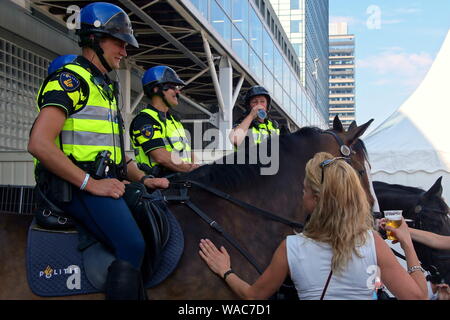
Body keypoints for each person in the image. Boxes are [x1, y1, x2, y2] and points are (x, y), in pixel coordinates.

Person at [28, 2, 169, 300]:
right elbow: (39, 143)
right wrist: (91, 184)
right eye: (119, 43)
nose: (124, 51)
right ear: (94, 39)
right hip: (74, 187)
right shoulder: (71, 79)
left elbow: (116, 155)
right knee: (132, 245)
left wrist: (144, 179)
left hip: (103, 184)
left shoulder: (103, 86)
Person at [199, 152, 428, 300]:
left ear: (316, 200)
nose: (302, 195)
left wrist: (225, 271)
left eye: (305, 190)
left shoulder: (291, 248)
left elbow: (253, 297)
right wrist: (407, 243)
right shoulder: (372, 243)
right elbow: (417, 298)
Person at [129, 66, 199, 177]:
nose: (177, 91)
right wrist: (190, 169)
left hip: (184, 180)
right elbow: (161, 156)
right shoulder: (145, 120)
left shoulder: (174, 121)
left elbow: (188, 151)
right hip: (161, 185)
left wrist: (195, 167)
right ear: (156, 89)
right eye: (173, 87)